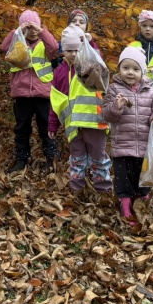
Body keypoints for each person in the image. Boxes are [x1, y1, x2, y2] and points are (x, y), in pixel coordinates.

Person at [102, 46, 153, 226]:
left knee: (143, 177)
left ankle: (142, 202)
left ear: (142, 71)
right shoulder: (114, 89)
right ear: (119, 69)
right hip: (123, 145)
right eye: (126, 68)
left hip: (145, 145)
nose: (130, 72)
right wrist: (116, 106)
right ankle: (126, 206)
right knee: (124, 178)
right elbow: (107, 115)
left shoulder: (150, 90)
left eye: (135, 69)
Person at [48, 27, 112, 195]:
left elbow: (99, 62)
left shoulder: (88, 66)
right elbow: (56, 101)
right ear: (62, 51)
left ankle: (103, 189)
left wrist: (90, 43)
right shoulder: (59, 73)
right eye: (69, 50)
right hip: (73, 125)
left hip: (95, 122)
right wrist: (53, 125)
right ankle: (77, 189)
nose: (74, 54)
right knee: (77, 158)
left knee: (99, 157)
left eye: (77, 50)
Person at [0, 10, 60, 173]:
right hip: (21, 93)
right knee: (22, 128)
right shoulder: (18, 43)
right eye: (28, 28)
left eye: (35, 27)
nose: (32, 32)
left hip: (43, 93)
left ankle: (51, 158)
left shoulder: (44, 44)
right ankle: (22, 159)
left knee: (46, 127)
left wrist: (41, 31)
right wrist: (17, 31)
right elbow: (4, 48)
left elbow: (55, 47)